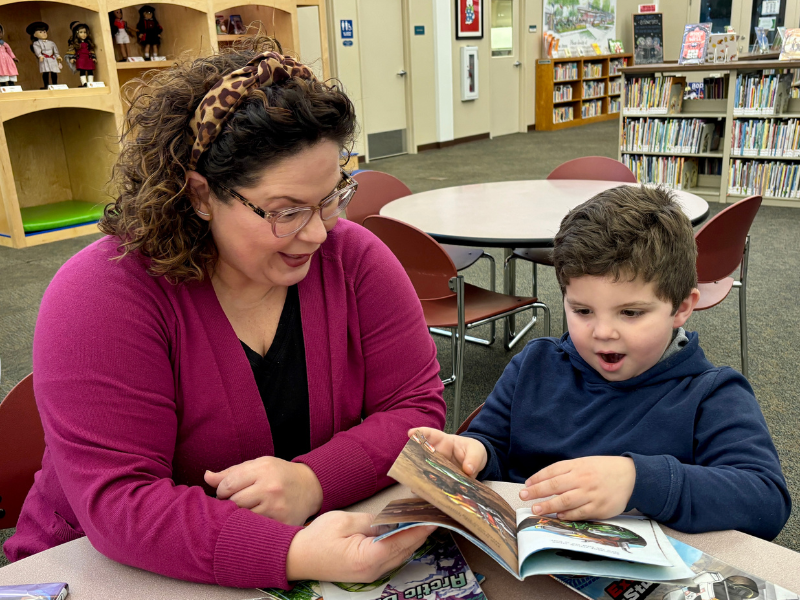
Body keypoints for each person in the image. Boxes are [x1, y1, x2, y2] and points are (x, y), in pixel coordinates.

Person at [5, 37, 445, 589]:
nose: (317, 232)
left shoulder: (353, 259)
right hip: (95, 573)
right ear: (200, 194)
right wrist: (291, 552)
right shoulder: (102, 295)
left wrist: (312, 481)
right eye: (286, 211)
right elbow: (121, 503)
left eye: (333, 196)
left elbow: (415, 410)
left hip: (307, 552)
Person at [413, 185, 791, 541]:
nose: (603, 332)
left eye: (630, 312)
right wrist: (473, 453)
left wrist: (637, 480)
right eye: (582, 310)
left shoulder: (712, 394)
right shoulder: (533, 365)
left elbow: (766, 499)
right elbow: (492, 443)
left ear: (682, 308)